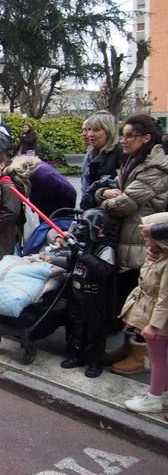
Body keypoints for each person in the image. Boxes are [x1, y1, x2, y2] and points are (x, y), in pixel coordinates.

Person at [96, 115, 168, 374]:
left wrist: (102, 199)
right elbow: (113, 191)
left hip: (142, 242)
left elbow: (124, 203)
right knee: (130, 298)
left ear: (146, 138)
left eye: (129, 136)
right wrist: (104, 193)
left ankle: (140, 356)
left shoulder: (155, 168)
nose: (123, 140)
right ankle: (129, 346)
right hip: (129, 239)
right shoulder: (135, 161)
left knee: (143, 300)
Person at [60, 209, 119, 378]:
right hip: (76, 293)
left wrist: (83, 255)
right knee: (76, 326)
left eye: (86, 226)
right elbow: (70, 266)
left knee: (95, 329)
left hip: (95, 297)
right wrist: (73, 251)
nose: (81, 229)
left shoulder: (105, 248)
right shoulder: (82, 245)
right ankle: (75, 356)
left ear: (100, 229)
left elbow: (103, 271)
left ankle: (95, 362)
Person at [121, 212, 168, 413]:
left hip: (158, 321)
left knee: (157, 359)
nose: (144, 240)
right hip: (155, 316)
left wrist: (154, 325)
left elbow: (164, 298)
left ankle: (153, 398)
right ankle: (162, 392)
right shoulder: (159, 257)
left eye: (148, 236)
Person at [5, 155, 77, 218]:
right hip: (50, 207)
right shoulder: (34, 170)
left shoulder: (42, 177)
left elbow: (70, 192)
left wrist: (64, 215)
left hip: (57, 212)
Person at [80, 111, 121, 208]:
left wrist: (103, 193)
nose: (90, 134)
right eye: (88, 129)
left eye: (96, 130)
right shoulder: (91, 154)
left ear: (109, 131)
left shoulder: (121, 153)